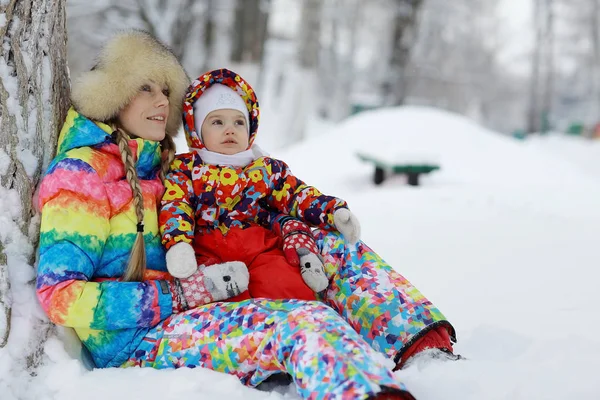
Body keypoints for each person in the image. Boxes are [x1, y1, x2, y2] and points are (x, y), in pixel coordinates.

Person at [35, 30, 424, 400]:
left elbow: (232, 215)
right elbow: (60, 296)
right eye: (145, 87)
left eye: (167, 91)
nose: (161, 102)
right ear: (112, 93)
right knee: (298, 322)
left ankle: (420, 345)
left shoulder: (164, 164)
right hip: (139, 338)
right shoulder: (81, 175)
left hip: (207, 298)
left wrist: (287, 226)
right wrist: (182, 296)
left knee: (332, 244)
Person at [159, 69, 362, 302]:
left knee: (287, 287)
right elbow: (176, 204)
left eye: (239, 122)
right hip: (208, 252)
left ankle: (298, 326)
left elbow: (296, 194)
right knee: (222, 300)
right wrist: (179, 243)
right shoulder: (187, 169)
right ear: (196, 130)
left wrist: (331, 211)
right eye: (217, 122)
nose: (230, 129)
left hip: (260, 249)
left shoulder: (264, 169)